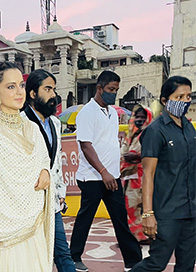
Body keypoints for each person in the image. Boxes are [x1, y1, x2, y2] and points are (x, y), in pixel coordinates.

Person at [0, 62, 54, 271]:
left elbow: (43, 161)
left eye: (21, 85)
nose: (19, 92)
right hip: (2, 230)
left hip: (33, 224)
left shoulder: (32, 129)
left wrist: (45, 171)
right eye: (10, 86)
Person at [70, 70, 142, 272]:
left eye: (116, 90)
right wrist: (103, 171)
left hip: (112, 176)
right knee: (86, 218)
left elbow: (106, 143)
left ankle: (133, 261)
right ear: (99, 88)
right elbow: (86, 145)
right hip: (93, 177)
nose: (114, 93)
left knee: (120, 218)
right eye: (110, 89)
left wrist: (117, 163)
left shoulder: (112, 113)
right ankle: (73, 258)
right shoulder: (87, 113)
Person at [130, 76, 196, 272]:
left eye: (188, 96)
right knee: (156, 264)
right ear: (165, 101)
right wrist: (148, 214)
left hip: (191, 211)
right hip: (167, 212)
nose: (185, 101)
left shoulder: (189, 128)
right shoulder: (155, 131)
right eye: (180, 96)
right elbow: (148, 175)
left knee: (186, 266)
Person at [23, 69, 76, 272]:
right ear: (33, 93)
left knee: (62, 253)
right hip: (28, 204)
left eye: (53, 89)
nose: (53, 95)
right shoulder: (21, 123)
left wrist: (60, 194)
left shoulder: (55, 122)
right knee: (34, 257)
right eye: (47, 89)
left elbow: (57, 163)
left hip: (51, 204)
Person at [120, 106, 152, 244]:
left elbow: (154, 153)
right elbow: (123, 153)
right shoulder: (131, 134)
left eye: (142, 118)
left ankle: (142, 236)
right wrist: (129, 156)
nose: (139, 120)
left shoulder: (151, 133)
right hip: (129, 176)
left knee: (140, 207)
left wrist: (137, 156)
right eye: (137, 117)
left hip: (143, 176)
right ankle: (133, 236)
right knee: (129, 206)